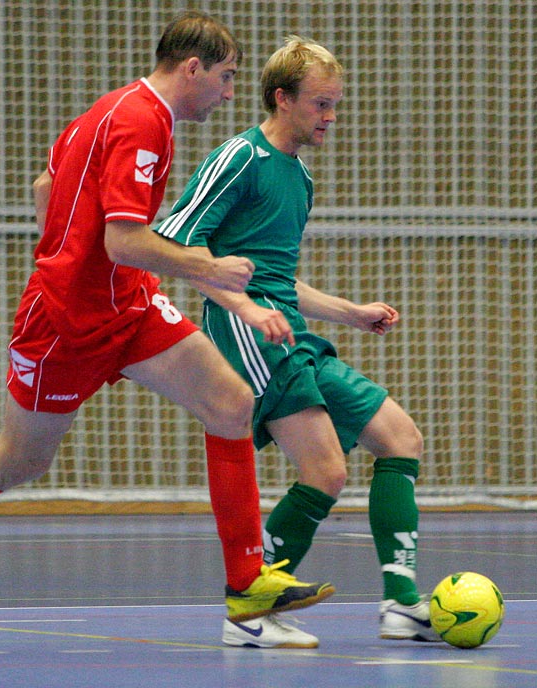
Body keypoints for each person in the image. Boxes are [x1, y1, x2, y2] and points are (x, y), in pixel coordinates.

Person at [0, 12, 334, 647]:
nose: (226, 93)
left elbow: (46, 185)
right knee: (19, 459)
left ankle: (246, 582)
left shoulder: (108, 110)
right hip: (65, 327)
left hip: (127, 308)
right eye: (224, 78)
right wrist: (205, 266)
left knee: (231, 401)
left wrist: (67, 246)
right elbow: (124, 239)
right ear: (191, 68)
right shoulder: (144, 125)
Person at [155, 35, 440, 645]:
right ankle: (249, 612)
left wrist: (350, 312)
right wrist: (245, 308)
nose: (331, 118)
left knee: (399, 437)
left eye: (336, 104)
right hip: (245, 331)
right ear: (282, 99)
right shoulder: (240, 158)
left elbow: (280, 277)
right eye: (321, 104)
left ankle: (401, 602)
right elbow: (176, 241)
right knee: (325, 469)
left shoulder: (300, 177)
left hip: (290, 331)